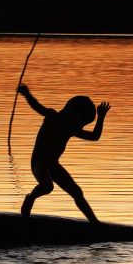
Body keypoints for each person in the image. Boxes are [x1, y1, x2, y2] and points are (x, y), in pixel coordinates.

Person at [17, 84, 110, 223]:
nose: (81, 126)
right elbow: (37, 106)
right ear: (73, 112)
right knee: (47, 186)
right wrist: (26, 94)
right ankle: (30, 198)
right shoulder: (52, 116)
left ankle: (95, 223)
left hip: (53, 165)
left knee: (77, 192)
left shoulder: (70, 128)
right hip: (39, 163)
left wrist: (101, 117)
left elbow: (94, 136)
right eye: (81, 122)